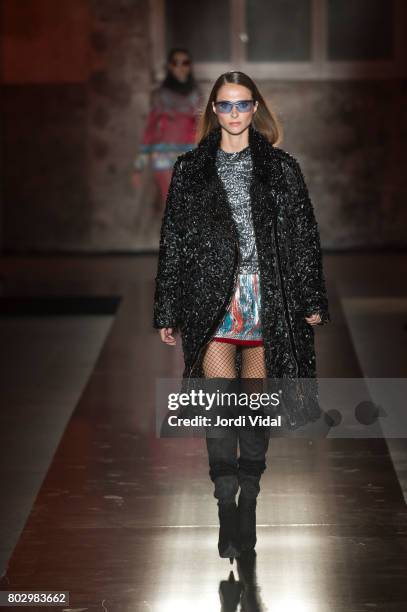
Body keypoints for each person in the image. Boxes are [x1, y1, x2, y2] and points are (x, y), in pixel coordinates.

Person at [153, 71, 330, 562]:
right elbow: (174, 243)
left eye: (242, 105)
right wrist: (167, 307)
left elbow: (302, 235)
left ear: (256, 108)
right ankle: (223, 493)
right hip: (213, 302)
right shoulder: (190, 170)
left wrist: (312, 298)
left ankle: (248, 493)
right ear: (213, 109)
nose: (233, 114)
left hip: (267, 300)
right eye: (225, 105)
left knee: (254, 404)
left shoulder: (282, 168)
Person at [133, 47, 203, 214]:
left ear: (190, 66)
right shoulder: (160, 95)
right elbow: (150, 131)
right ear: (169, 67)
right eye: (175, 63)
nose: (180, 67)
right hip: (164, 156)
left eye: (184, 62)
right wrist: (139, 166)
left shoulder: (196, 95)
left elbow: (201, 128)